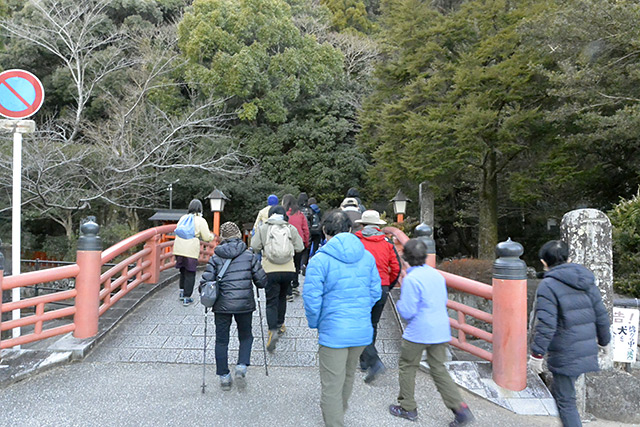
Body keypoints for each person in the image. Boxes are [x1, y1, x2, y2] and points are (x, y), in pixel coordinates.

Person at [303, 210, 381, 427]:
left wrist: (316, 322)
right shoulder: (366, 256)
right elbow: (376, 292)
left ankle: (335, 421)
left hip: (334, 331)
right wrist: (360, 309)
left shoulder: (320, 260)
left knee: (331, 384)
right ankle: (339, 412)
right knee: (348, 376)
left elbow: (311, 298)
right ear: (350, 229)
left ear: (325, 231)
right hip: (360, 330)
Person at [389, 239, 474, 426]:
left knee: (407, 365)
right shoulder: (436, 275)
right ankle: (460, 409)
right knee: (438, 368)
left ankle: (407, 407)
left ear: (405, 258)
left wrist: (399, 304)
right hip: (441, 329)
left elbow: (408, 311)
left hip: (419, 330)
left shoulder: (411, 279)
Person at [528, 240, 611, 427]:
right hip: (586, 348)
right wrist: (605, 341)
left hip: (566, 352)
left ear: (543, 262)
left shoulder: (548, 285)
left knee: (565, 401)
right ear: (569, 258)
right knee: (567, 396)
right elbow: (601, 313)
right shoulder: (587, 280)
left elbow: (546, 324)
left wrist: (537, 355)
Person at [199, 222, 267, 391]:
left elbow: (205, 283)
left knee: (222, 340)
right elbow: (262, 282)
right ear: (238, 235)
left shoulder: (215, 257)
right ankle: (241, 366)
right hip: (244, 303)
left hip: (222, 305)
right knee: (246, 336)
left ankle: (224, 377)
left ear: (222, 237)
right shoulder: (249, 255)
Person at [354, 210, 401, 383]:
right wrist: (389, 284)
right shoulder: (387, 243)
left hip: (361, 288)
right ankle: (365, 360)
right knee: (372, 324)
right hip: (381, 287)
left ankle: (371, 361)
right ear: (378, 226)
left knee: (359, 325)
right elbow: (396, 267)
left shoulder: (356, 241)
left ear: (362, 225)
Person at [250, 205, 304, 352]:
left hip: (270, 270)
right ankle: (280, 324)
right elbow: (300, 247)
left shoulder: (264, 228)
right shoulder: (290, 228)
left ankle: (272, 330)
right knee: (282, 298)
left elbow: (254, 246)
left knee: (271, 301)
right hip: (288, 270)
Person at [173, 199, 214, 306]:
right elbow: (206, 237)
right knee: (190, 272)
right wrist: (212, 237)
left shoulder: (183, 218)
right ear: (200, 208)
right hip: (190, 249)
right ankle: (187, 297)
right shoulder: (200, 220)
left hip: (178, 247)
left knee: (182, 270)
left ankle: (182, 292)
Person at [282, 193, 309, 299]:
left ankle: (288, 289)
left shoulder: (283, 214)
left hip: (285, 242)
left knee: (287, 265)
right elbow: (305, 229)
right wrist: (306, 242)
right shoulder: (300, 214)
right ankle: (295, 284)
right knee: (296, 265)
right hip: (299, 242)